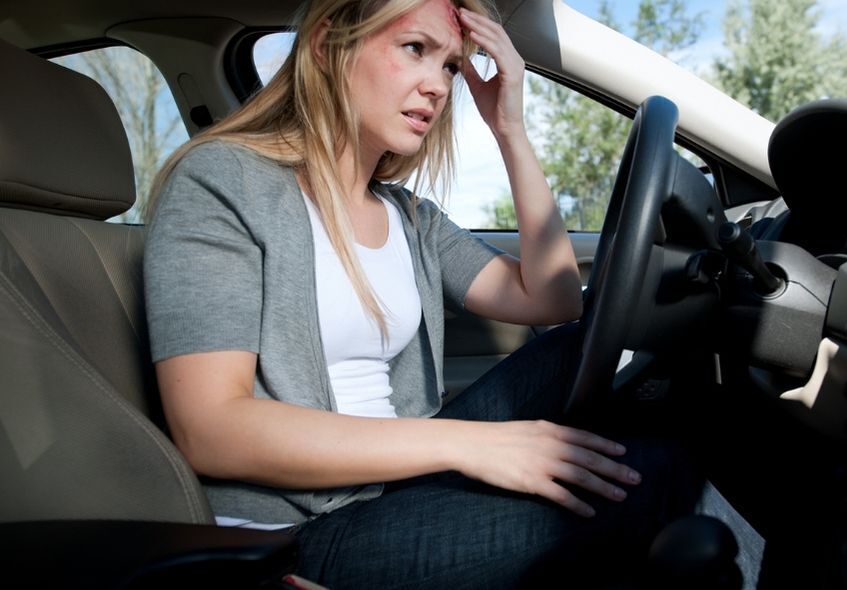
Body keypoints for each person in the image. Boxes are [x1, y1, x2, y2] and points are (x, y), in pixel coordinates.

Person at [143, 0, 707, 587]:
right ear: (328, 45)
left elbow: (555, 300)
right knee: (655, 478)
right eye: (416, 49)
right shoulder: (222, 182)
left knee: (579, 354)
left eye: (451, 68)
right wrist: (471, 445)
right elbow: (212, 430)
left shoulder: (408, 216)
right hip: (296, 535)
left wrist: (509, 128)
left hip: (392, 487)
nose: (437, 87)